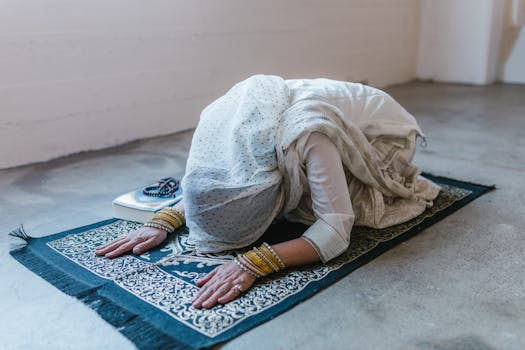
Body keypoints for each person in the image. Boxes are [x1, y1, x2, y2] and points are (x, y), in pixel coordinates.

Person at [95, 75, 441, 309]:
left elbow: (336, 231)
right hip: (310, 118)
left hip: (385, 131)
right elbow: (218, 179)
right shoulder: (218, 121)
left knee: (339, 208)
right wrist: (165, 219)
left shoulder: (310, 136)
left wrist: (255, 262)